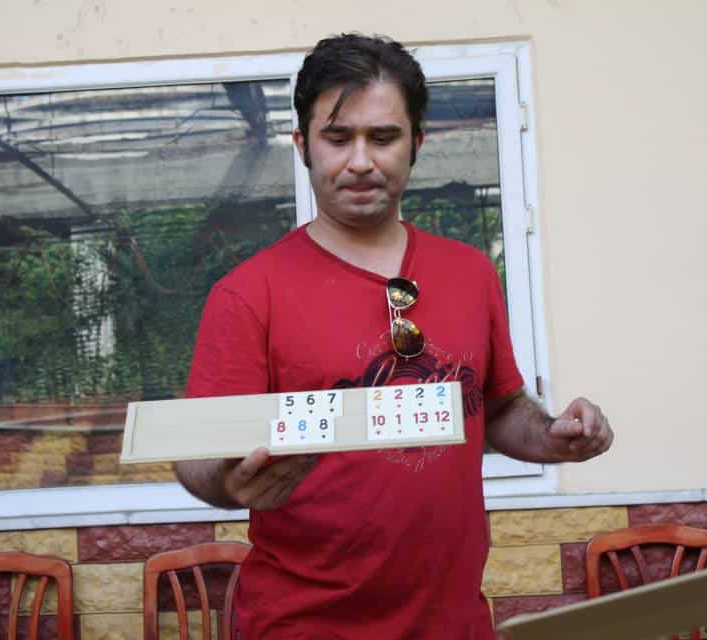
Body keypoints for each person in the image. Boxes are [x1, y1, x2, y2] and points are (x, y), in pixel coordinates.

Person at [176, 33, 613, 639]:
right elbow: (194, 452)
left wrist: (554, 435)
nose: (361, 161)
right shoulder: (249, 294)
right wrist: (228, 484)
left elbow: (493, 405)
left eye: (383, 138)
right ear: (302, 146)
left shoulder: (470, 273)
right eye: (338, 138)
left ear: (417, 144)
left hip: (453, 624)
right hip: (304, 627)